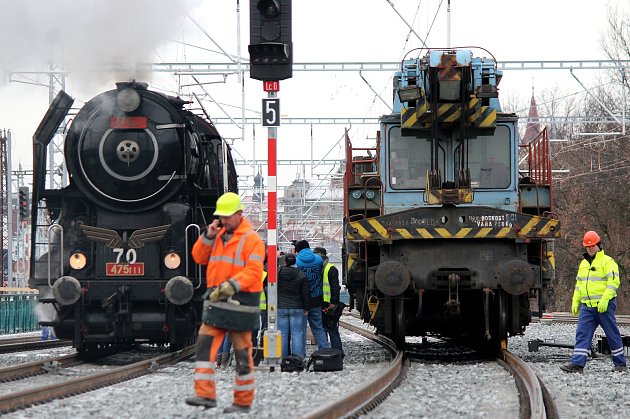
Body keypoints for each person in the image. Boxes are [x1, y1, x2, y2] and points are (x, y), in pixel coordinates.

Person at [186, 192, 265, 413]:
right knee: (203, 347)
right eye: (221, 216)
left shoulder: (252, 240)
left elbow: (254, 271)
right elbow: (198, 257)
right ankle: (205, 395)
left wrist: (232, 285)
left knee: (242, 355)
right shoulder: (217, 235)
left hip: (240, 305)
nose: (224, 220)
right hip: (217, 304)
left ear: (240, 214)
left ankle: (242, 401)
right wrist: (207, 237)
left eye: (228, 216)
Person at [560, 230, 627, 373]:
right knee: (582, 333)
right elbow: (579, 284)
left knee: (612, 334)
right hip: (587, 307)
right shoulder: (583, 264)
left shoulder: (608, 262)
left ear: (598, 245)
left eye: (593, 245)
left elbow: (613, 282)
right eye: (587, 246)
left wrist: (605, 299)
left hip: (604, 305)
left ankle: (620, 364)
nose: (590, 248)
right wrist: (575, 300)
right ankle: (577, 364)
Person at [294, 240, 330, 351]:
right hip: (316, 298)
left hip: (301, 300)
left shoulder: (296, 261)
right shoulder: (318, 259)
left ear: (297, 250)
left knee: (300, 330)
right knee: (318, 328)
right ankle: (324, 351)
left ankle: (301, 355)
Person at [277, 253, 310, 358]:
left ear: (285, 262)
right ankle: (298, 359)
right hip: (297, 307)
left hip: (281, 307)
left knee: (283, 334)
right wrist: (306, 307)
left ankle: (283, 359)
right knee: (297, 334)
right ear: (295, 262)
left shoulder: (278, 273)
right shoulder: (301, 274)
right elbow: (306, 293)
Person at [313, 247, 344, 352]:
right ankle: (328, 352)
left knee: (331, 329)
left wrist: (333, 302)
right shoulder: (319, 267)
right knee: (324, 329)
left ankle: (336, 352)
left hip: (327, 305)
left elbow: (335, 287)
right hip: (320, 303)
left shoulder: (330, 268)